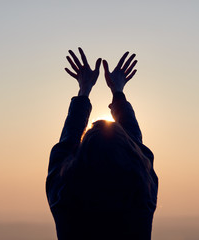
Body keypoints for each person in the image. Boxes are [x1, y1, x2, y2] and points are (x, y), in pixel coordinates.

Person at [46, 48, 158, 240]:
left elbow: (66, 143)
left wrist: (84, 90)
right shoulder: (142, 196)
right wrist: (118, 92)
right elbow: (138, 148)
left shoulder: (64, 199)